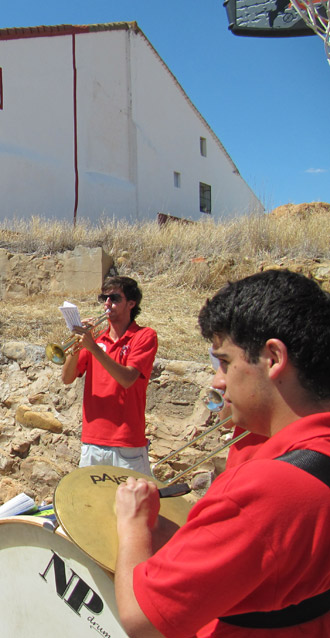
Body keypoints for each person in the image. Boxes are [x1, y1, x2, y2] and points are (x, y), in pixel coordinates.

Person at [114, 269, 330, 637]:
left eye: (226, 363)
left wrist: (132, 524)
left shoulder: (267, 488)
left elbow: (141, 618)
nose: (218, 381)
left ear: (273, 358)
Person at [61, 276, 158, 474]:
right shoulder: (96, 340)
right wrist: (77, 344)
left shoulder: (144, 336)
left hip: (126, 443)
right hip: (92, 441)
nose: (107, 303)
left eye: (114, 298)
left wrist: (94, 348)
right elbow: (67, 378)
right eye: (103, 298)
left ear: (131, 303)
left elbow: (128, 379)